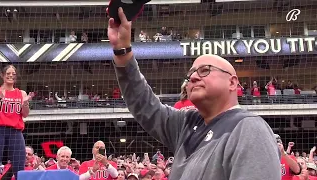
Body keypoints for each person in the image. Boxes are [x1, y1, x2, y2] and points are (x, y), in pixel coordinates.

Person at [108, 8, 281, 180]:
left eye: (205, 70)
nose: (194, 77)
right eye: (191, 74)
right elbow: (145, 105)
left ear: (232, 82)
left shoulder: (249, 128)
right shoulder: (186, 124)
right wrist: (122, 51)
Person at [0, 65, 34, 180]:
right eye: (8, 73)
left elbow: (25, 114)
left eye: (13, 74)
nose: (11, 76)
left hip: (15, 131)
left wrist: (25, 103)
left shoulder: (21, 93)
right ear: (2, 75)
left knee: (19, 162)